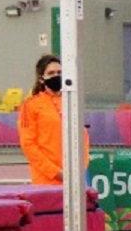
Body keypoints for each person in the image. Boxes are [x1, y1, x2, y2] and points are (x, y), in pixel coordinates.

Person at [18, 54, 87, 185]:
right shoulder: (30, 105)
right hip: (46, 181)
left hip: (75, 179)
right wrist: (55, 172)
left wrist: (81, 167)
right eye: (51, 73)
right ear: (41, 79)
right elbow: (28, 145)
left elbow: (82, 135)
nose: (56, 76)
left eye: (59, 72)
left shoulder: (71, 102)